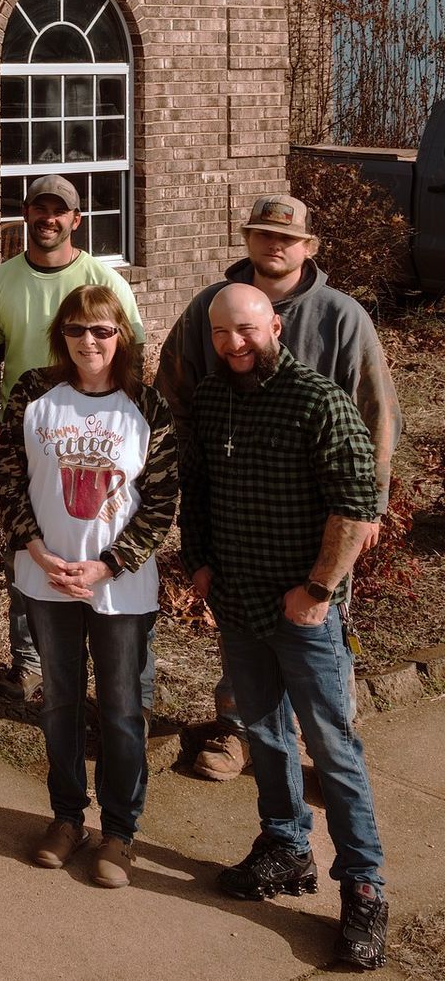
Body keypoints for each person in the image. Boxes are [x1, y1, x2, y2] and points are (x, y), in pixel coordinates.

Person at [155, 194, 403, 782]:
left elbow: (377, 413)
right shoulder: (207, 309)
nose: (275, 246)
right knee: (241, 621)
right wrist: (189, 482)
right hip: (236, 499)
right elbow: (174, 396)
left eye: (287, 239)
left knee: (320, 623)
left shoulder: (341, 318)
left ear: (309, 247)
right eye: (263, 235)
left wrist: (371, 507)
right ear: (247, 241)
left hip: (321, 507)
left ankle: (328, 749)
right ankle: (241, 731)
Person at [180, 284, 391, 971]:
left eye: (245, 330)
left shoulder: (318, 401)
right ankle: (284, 845)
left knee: (332, 746)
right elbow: (200, 484)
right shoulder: (210, 400)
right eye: (220, 334)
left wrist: (320, 589)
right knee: (263, 732)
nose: (233, 345)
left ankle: (362, 885)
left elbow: (357, 504)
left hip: (303, 611)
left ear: (275, 324)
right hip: (238, 602)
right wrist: (201, 562)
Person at [0, 284, 177, 889]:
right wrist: (42, 554)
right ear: (61, 336)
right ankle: (67, 818)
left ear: (120, 334)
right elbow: (9, 483)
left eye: (101, 330)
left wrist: (106, 565)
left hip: (119, 587)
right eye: (77, 330)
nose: (89, 341)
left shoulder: (146, 404)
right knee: (60, 703)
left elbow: (161, 503)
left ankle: (120, 832)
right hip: (46, 578)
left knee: (123, 710)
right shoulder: (32, 394)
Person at [0, 174, 142, 701]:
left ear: (76, 219)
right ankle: (28, 663)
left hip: (94, 434)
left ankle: (103, 671)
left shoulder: (104, 281)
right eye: (38, 208)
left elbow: (134, 358)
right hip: (27, 434)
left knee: (92, 540)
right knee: (27, 548)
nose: (48, 218)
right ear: (24, 214)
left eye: (60, 210)